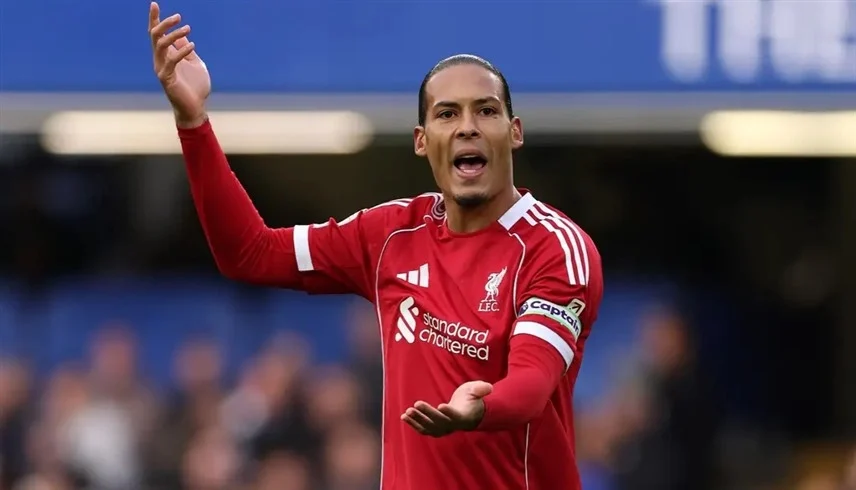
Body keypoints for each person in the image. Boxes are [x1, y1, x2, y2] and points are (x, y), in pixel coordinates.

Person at [148, 2, 604, 489]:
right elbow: (249, 253)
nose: (467, 126)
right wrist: (193, 122)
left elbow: (532, 384)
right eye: (447, 114)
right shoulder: (391, 234)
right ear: (422, 140)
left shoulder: (555, 248)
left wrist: (481, 408)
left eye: (486, 111)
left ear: (514, 133)